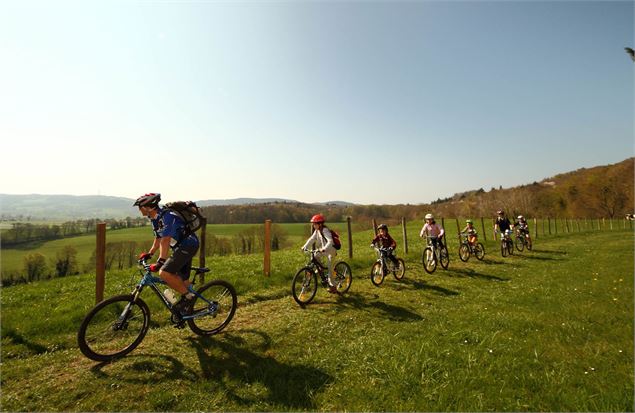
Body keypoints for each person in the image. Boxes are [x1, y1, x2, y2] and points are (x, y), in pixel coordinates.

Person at [134, 193, 200, 315]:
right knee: (182, 280)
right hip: (180, 248)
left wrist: (161, 261)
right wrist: (149, 253)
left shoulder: (167, 216)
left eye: (140, 206)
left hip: (188, 245)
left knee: (164, 273)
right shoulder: (155, 219)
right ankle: (189, 310)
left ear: (149, 207)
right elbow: (158, 238)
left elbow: (165, 240)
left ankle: (188, 298)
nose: (139, 209)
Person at [301, 214, 339, 294]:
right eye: (313, 224)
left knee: (330, 268)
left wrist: (324, 249)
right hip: (323, 250)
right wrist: (305, 246)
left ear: (320, 224)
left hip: (331, 250)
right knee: (315, 256)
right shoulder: (317, 231)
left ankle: (333, 286)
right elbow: (311, 239)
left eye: (315, 224)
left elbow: (330, 241)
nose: (313, 225)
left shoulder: (325, 230)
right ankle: (320, 268)